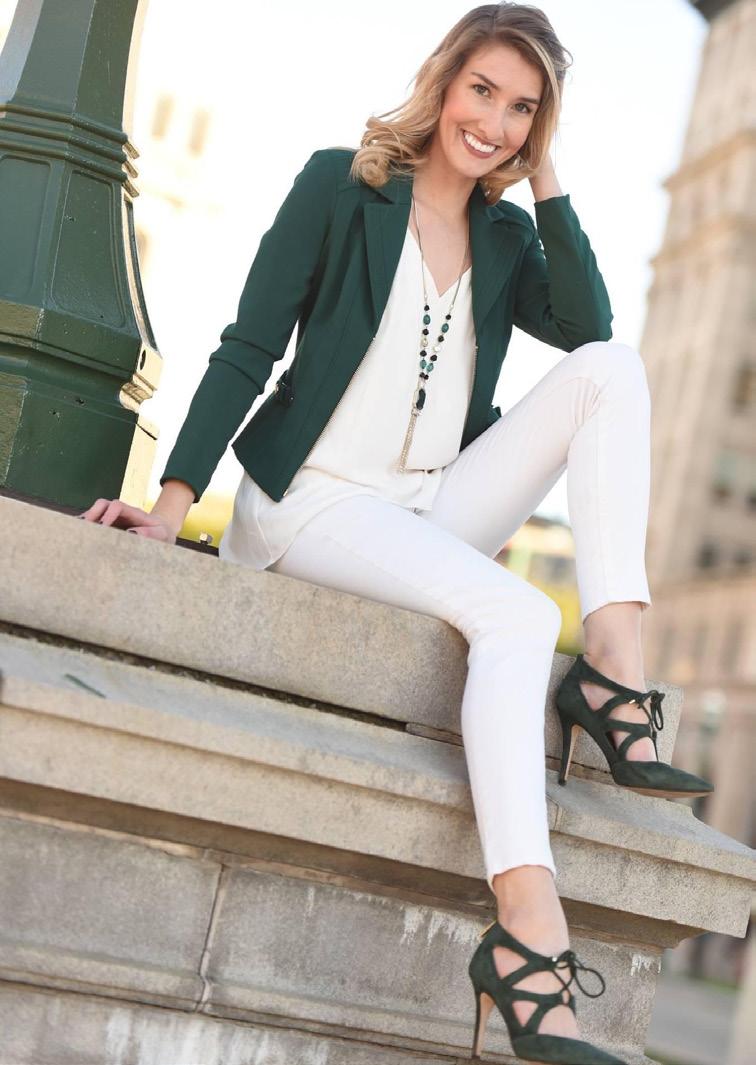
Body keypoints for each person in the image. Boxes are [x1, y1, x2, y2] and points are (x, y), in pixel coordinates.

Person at [80, 4, 713, 1061]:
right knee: (519, 616)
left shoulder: (507, 236)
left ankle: (615, 662)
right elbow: (247, 346)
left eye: (524, 111)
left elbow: (589, 326)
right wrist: (175, 504)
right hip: (315, 500)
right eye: (484, 92)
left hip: (427, 502)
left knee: (615, 370)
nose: (496, 124)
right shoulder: (344, 184)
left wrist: (548, 180)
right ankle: (530, 931)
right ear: (444, 80)